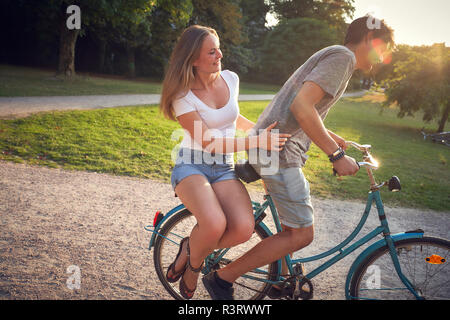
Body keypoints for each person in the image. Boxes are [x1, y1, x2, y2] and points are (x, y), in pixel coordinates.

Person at [202, 15, 395, 299]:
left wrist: (332, 137)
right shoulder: (342, 58)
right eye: (384, 47)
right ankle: (222, 279)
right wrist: (336, 154)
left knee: (291, 227)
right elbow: (302, 105)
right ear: (369, 39)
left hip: (272, 148)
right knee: (302, 233)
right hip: (277, 151)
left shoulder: (337, 56)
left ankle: (279, 279)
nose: (384, 56)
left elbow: (306, 109)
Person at [159, 25, 291, 299]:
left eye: (219, 47)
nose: (220, 54)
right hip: (192, 165)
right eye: (211, 51)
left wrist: (260, 132)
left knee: (244, 228)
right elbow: (208, 142)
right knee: (215, 223)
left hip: (224, 168)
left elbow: (232, 118)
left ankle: (190, 246)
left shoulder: (231, 79)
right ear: (193, 59)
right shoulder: (182, 95)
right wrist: (256, 142)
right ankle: (194, 265)